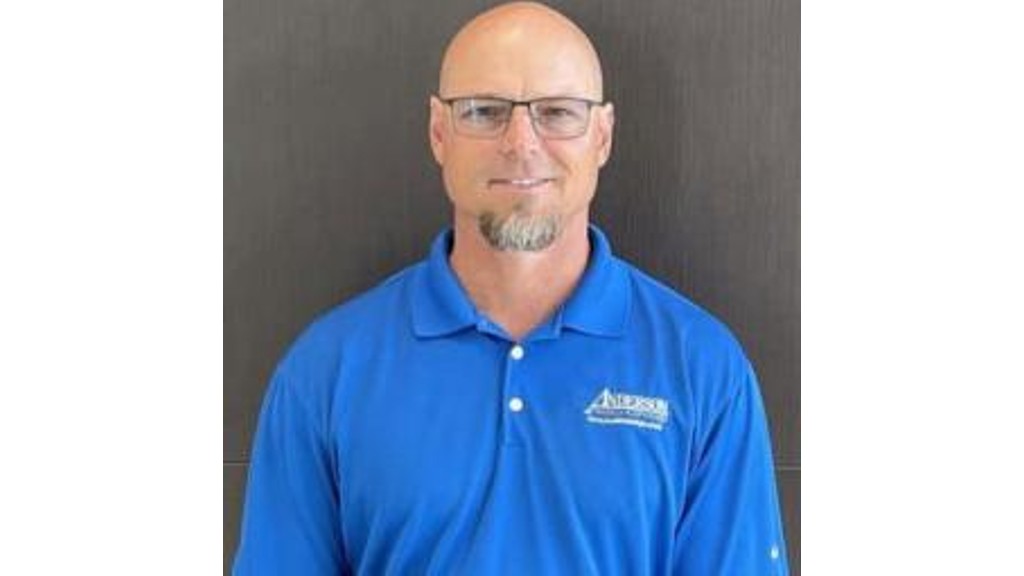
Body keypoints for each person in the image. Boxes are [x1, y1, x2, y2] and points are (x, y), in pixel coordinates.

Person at [233, 2, 789, 574]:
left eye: (557, 112)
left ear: (602, 136)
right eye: (484, 111)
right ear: (439, 132)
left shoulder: (702, 368)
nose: (521, 143)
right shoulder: (327, 371)